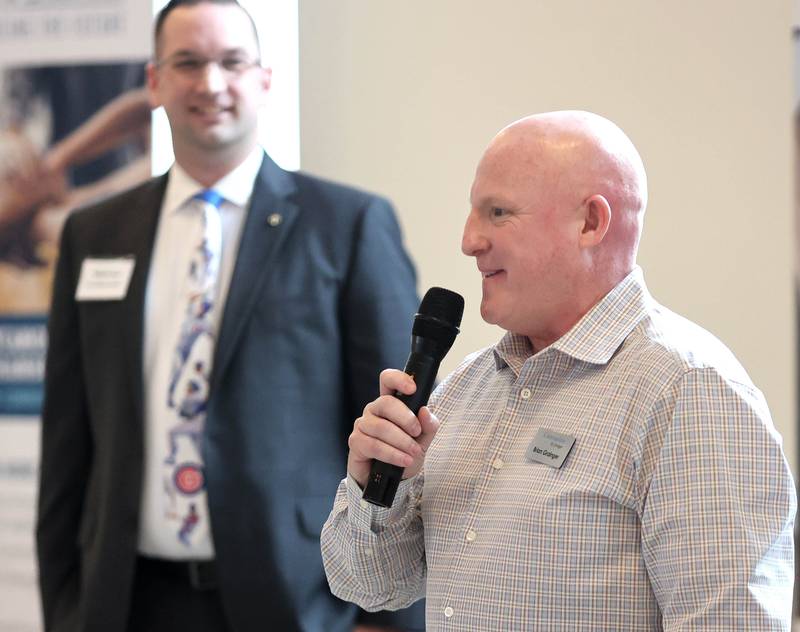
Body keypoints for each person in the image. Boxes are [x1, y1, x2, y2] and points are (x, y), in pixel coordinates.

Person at [321, 110, 797, 630]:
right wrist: (377, 484)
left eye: (498, 212)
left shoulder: (690, 393)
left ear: (591, 223)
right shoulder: (465, 388)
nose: (469, 240)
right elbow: (369, 587)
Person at [35, 1, 425, 631]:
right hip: (126, 599)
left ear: (264, 79)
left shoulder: (347, 226)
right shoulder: (96, 233)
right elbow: (68, 439)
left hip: (297, 600)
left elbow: (394, 431)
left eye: (231, 62)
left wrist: (388, 619)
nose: (210, 83)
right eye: (187, 63)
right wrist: (64, 609)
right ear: (155, 82)